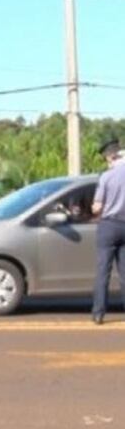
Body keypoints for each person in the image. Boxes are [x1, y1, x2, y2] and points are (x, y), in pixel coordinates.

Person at [91, 138, 125, 324]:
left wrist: (93, 209)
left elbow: (97, 207)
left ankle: (99, 313)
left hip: (109, 226)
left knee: (103, 271)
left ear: (110, 157)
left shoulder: (106, 176)